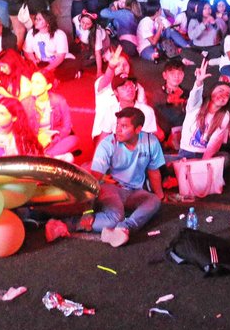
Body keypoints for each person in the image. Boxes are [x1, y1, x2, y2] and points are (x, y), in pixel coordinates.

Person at [46, 106, 165, 247]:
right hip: (110, 189)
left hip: (134, 192)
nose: (118, 130)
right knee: (114, 218)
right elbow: (92, 181)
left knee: (154, 201)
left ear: (138, 130)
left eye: (124, 126)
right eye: (117, 125)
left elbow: (154, 172)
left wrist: (160, 196)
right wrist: (88, 211)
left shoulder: (151, 142)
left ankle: (124, 228)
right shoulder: (108, 145)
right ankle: (69, 223)